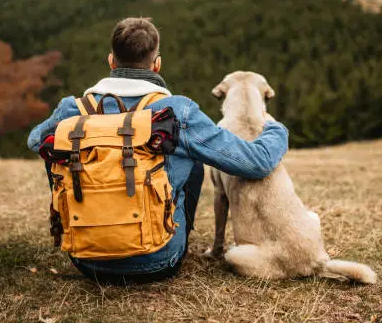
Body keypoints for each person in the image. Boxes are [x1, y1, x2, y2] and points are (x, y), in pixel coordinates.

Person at [27, 17, 289, 285]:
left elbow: (36, 141)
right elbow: (257, 162)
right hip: (159, 261)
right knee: (193, 159)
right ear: (157, 63)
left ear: (111, 61)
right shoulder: (176, 111)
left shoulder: (73, 109)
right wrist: (275, 128)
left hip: (86, 260)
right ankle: (169, 231)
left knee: (60, 148)